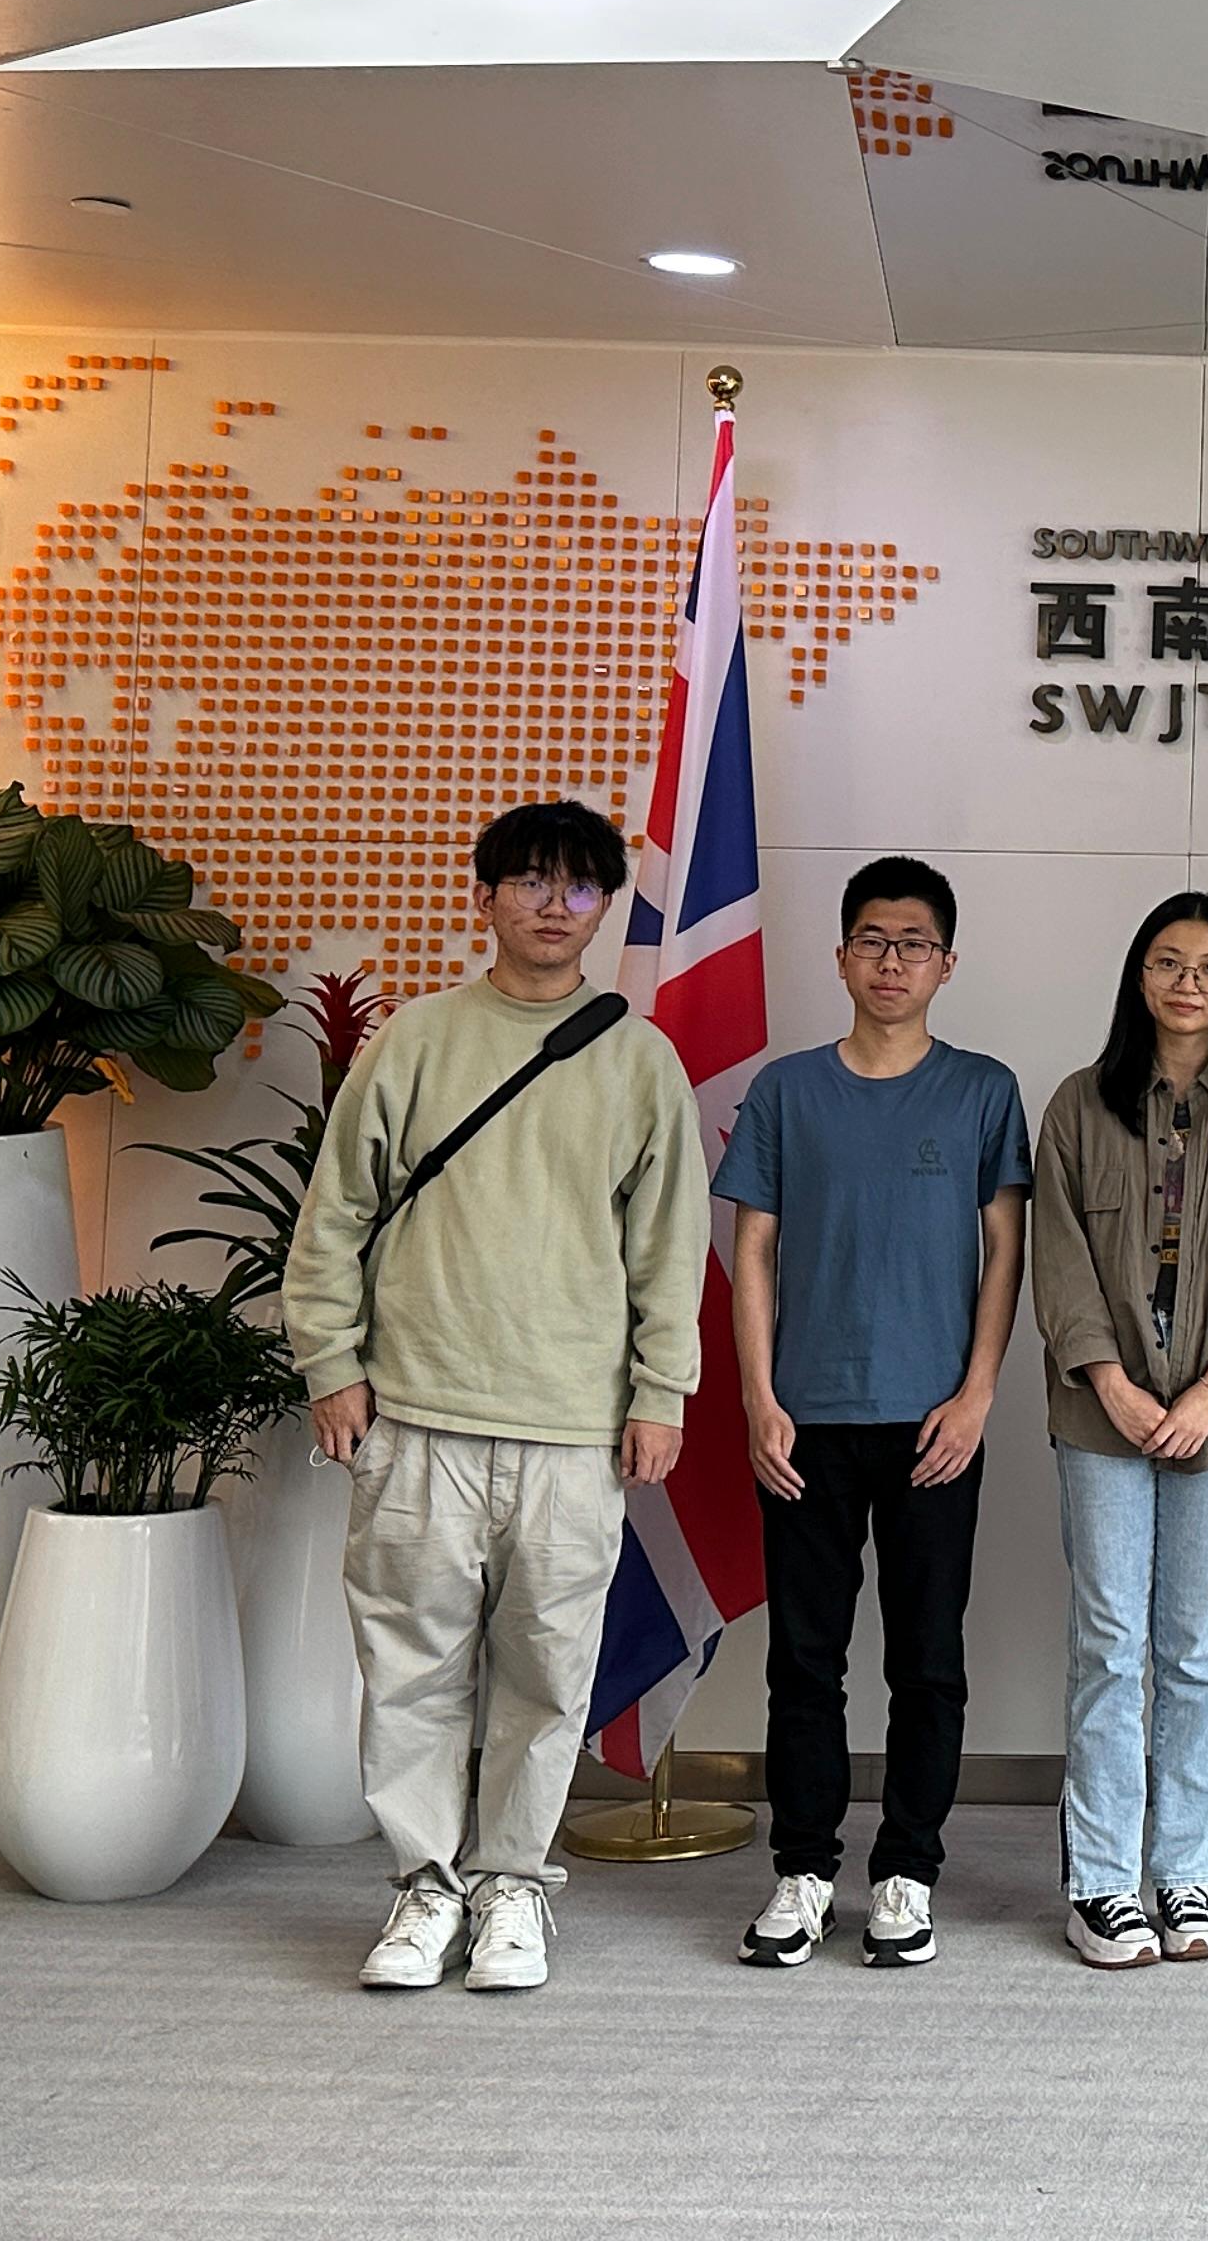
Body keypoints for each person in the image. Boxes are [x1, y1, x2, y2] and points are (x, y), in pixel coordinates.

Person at [285, 800, 708, 1996]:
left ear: (605, 905)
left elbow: (666, 1248)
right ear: (485, 896)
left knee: (547, 1674)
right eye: (527, 880)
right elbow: (336, 1213)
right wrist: (332, 1365)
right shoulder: (415, 1041)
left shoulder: (639, 1059)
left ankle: (514, 1884)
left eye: (578, 886)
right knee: (410, 1667)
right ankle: (425, 1887)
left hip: (574, 1427)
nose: (551, 905)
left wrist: (661, 1393)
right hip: (417, 1412)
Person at [722, 857, 1028, 1976]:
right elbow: (754, 1251)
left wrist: (978, 1394)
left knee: (927, 1660)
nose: (892, 961)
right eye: (872, 941)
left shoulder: (984, 1090)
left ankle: (907, 1872)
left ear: (947, 963)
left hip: (936, 1422)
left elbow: (1006, 1253)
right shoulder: (786, 1091)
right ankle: (803, 1871)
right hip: (806, 1421)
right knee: (804, 1662)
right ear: (841, 956)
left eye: (914, 944)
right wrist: (760, 1398)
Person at [1029, 893, 1208, 1970]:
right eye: (1167, 962)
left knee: (1196, 1649)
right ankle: (1103, 1884)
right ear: (1138, 976)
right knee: (1109, 1645)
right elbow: (1057, 1256)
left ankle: (1187, 1872)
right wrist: (1111, 1384)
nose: (1188, 984)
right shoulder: (1079, 1102)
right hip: (1099, 1410)